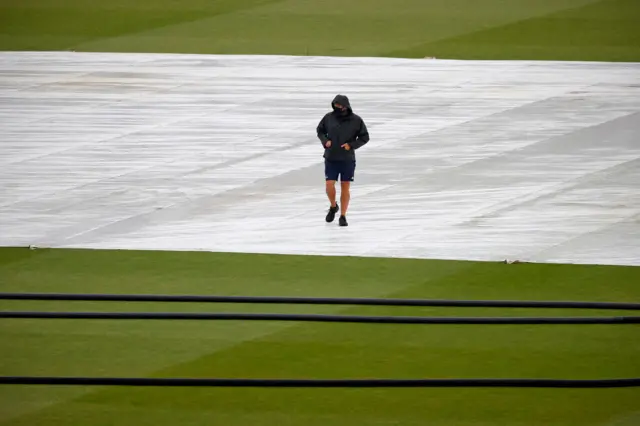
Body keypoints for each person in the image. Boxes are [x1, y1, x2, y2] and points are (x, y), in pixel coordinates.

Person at [316, 94, 369, 226]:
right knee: (329, 185)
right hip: (331, 157)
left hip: (347, 159)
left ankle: (343, 216)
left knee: (345, 186)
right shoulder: (328, 118)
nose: (337, 107)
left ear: (346, 106)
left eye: (339, 105)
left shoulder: (356, 120)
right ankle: (333, 206)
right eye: (335, 105)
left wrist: (351, 145)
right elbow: (320, 130)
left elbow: (364, 137)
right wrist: (325, 141)